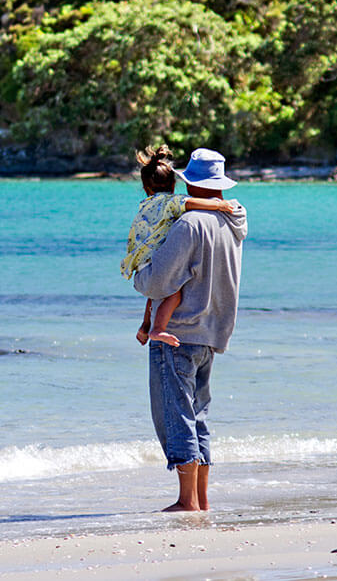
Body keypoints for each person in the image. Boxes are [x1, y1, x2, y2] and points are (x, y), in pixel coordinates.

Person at [132, 148, 248, 512]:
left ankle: (186, 501)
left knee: (176, 415)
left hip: (179, 332)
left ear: (191, 182)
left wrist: (139, 275)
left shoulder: (188, 226)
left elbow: (158, 282)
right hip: (212, 330)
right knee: (198, 416)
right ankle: (200, 499)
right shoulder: (235, 220)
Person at [121, 146, 237, 348]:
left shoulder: (146, 205)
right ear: (173, 185)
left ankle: (146, 326)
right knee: (173, 291)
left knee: (159, 294)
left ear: (146, 188)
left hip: (141, 269)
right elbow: (192, 203)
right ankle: (157, 329)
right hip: (204, 330)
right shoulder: (173, 203)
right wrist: (220, 205)